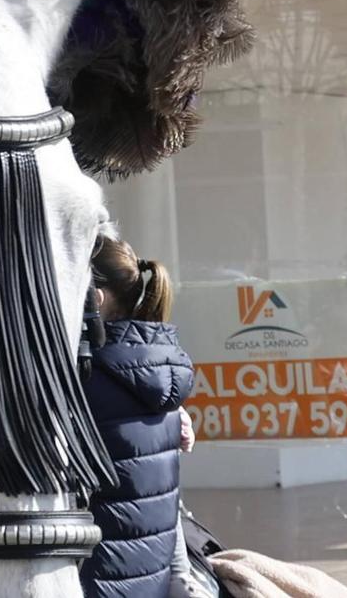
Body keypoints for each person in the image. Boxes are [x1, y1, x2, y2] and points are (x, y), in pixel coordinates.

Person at [79, 232, 203, 598]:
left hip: (100, 583)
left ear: (95, 298)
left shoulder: (91, 379)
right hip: (150, 579)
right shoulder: (156, 373)